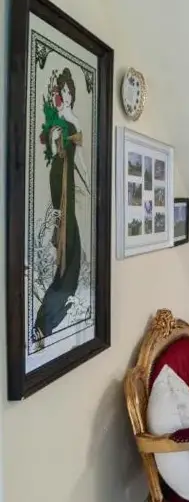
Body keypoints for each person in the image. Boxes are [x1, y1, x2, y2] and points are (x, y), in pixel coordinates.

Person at [35, 67, 84, 342]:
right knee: (67, 231)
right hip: (59, 177)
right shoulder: (56, 120)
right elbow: (55, 154)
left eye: (68, 91)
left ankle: (58, 299)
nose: (65, 95)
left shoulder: (73, 119)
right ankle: (47, 316)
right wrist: (55, 144)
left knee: (71, 233)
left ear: (72, 94)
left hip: (70, 179)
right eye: (62, 90)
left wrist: (89, 182)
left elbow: (81, 160)